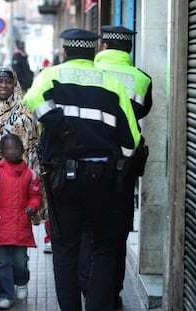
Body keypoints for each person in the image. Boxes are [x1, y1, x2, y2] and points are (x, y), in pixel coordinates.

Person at [23, 28, 141, 311]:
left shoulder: (49, 77)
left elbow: (32, 100)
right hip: (103, 181)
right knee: (102, 248)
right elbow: (132, 141)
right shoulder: (111, 84)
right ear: (94, 51)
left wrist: (62, 129)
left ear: (65, 52)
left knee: (65, 251)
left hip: (63, 178)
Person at [90, 25, 152, 308]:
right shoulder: (142, 79)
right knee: (116, 235)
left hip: (89, 163)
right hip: (124, 168)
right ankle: (112, 292)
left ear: (103, 46)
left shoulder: (89, 73)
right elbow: (143, 111)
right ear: (128, 49)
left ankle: (88, 287)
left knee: (87, 230)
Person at [0, 133, 42, 310]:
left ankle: (22, 280)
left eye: (16, 148)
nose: (12, 152)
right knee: (2, 263)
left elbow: (35, 195)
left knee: (19, 261)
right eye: (8, 148)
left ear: (22, 150)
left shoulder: (30, 175)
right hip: (0, 226)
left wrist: (33, 206)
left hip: (20, 226)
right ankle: (5, 294)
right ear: (2, 151)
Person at [0, 66, 39, 172]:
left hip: (17, 175)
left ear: (14, 85)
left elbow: (32, 147)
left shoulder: (24, 112)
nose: (3, 86)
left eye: (9, 82)